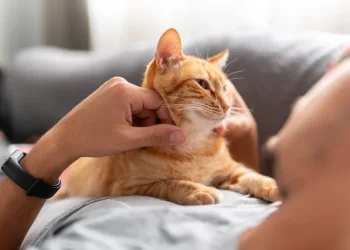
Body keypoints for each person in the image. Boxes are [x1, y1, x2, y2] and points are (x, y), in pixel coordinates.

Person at [0, 54, 349, 249]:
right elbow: (231, 175)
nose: (228, 102)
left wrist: (57, 145)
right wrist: (248, 142)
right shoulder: (299, 215)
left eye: (337, 70)